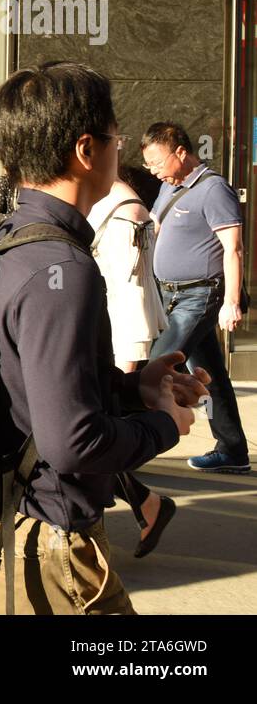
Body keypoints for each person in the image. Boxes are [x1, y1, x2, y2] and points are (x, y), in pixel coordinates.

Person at [0, 62, 208, 614]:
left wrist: (136, 388)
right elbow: (73, 442)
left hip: (1, 532)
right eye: (116, 139)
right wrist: (166, 426)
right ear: (87, 150)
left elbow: (31, 381)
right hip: (47, 549)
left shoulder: (3, 234)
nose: (122, 158)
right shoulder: (60, 267)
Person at [142, 122, 251, 474]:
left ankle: (133, 445)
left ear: (180, 152)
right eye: (148, 166)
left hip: (200, 294)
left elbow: (233, 248)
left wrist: (231, 301)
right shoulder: (167, 187)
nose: (154, 171)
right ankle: (232, 449)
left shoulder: (213, 189)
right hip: (167, 294)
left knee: (158, 365)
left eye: (157, 163)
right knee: (210, 375)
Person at [88, 165, 175, 556]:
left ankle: (146, 505)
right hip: (102, 336)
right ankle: (146, 504)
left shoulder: (126, 211)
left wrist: (124, 359)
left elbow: (129, 293)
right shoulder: (116, 204)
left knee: (98, 434)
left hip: (113, 337)